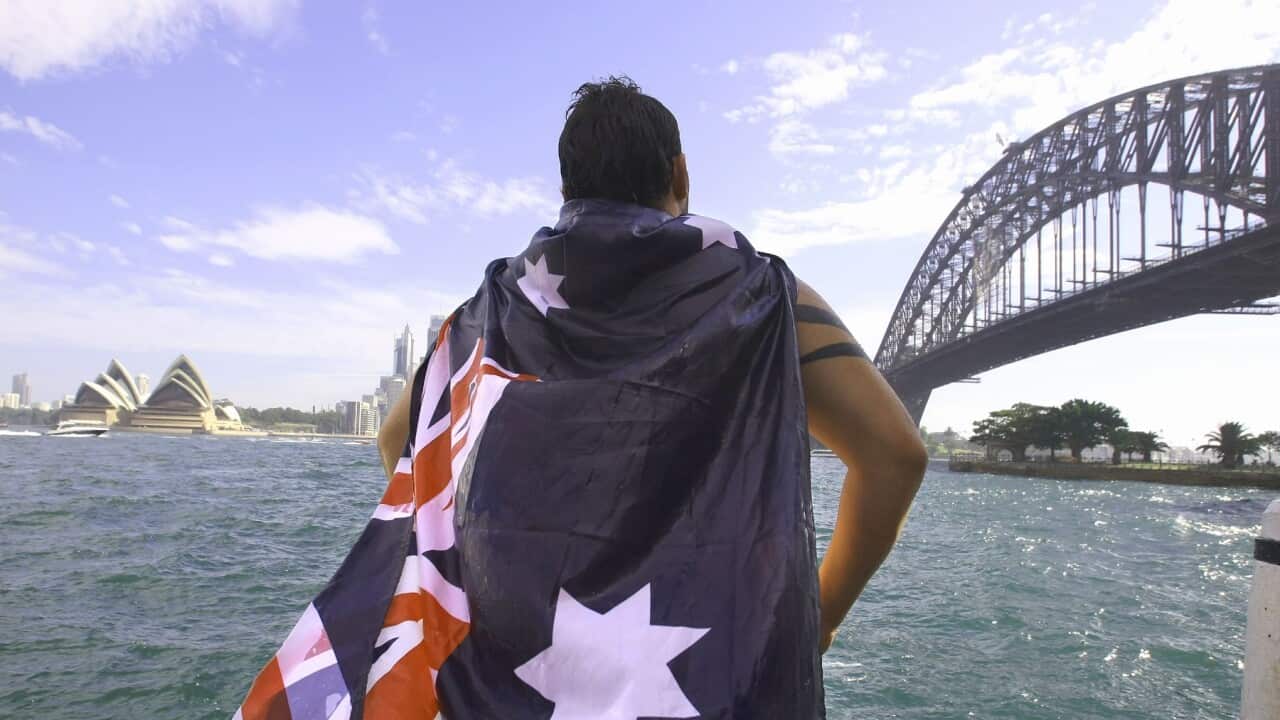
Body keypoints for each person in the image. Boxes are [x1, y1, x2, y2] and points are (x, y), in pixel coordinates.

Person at [377, 76, 926, 697]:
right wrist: (821, 617)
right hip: (710, 677)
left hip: (521, 673)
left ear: (566, 191)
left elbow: (398, 439)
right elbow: (894, 455)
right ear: (680, 175)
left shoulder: (493, 310)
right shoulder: (765, 296)